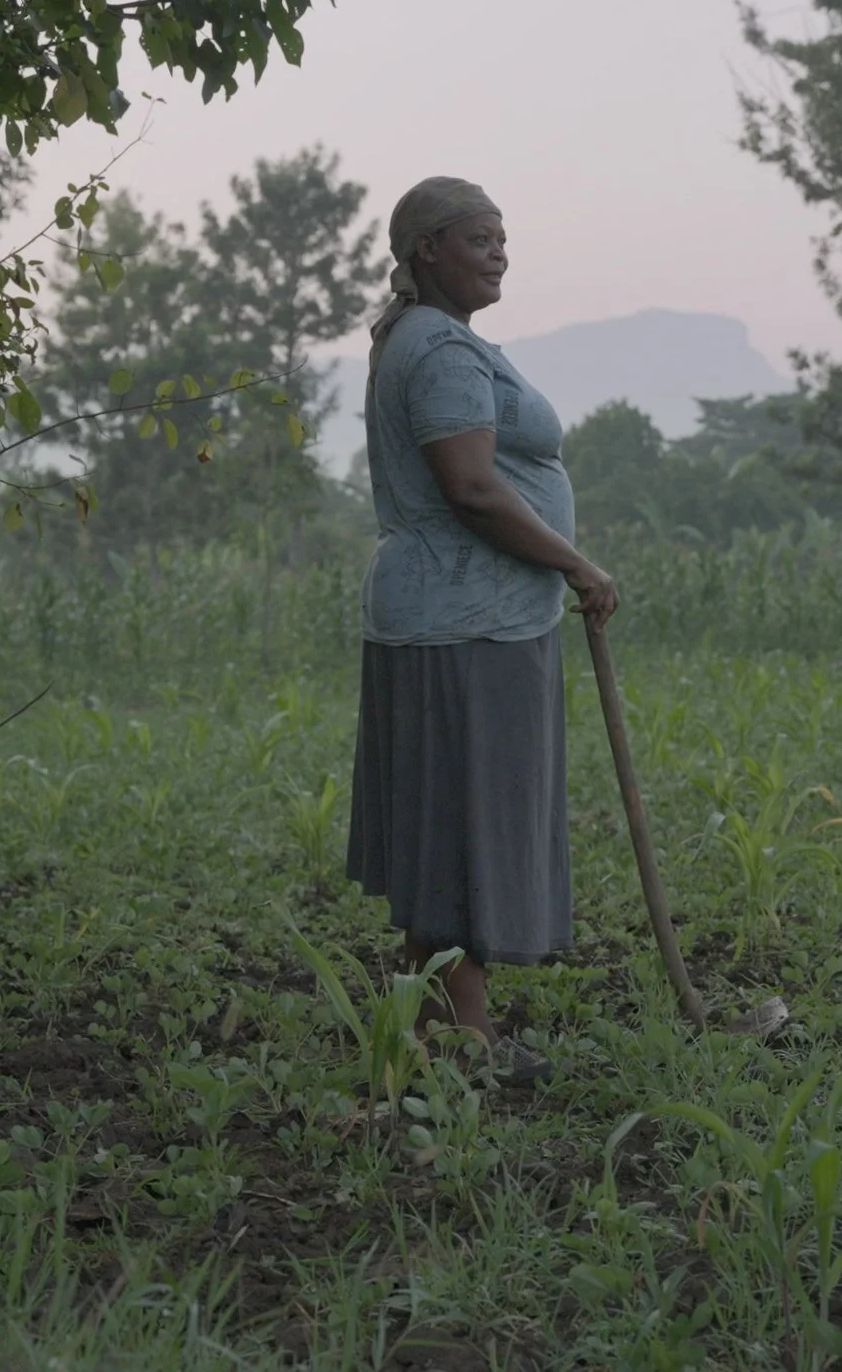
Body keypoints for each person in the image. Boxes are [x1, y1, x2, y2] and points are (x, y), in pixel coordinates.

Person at [344, 177, 618, 1085]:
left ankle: (434, 1035)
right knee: (460, 830)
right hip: (464, 625)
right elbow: (469, 488)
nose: (499, 253)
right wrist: (574, 563)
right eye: (478, 240)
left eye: (503, 240)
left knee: (447, 828)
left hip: (466, 619)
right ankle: (468, 1044)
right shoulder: (443, 353)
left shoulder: (426, 341)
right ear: (429, 250)